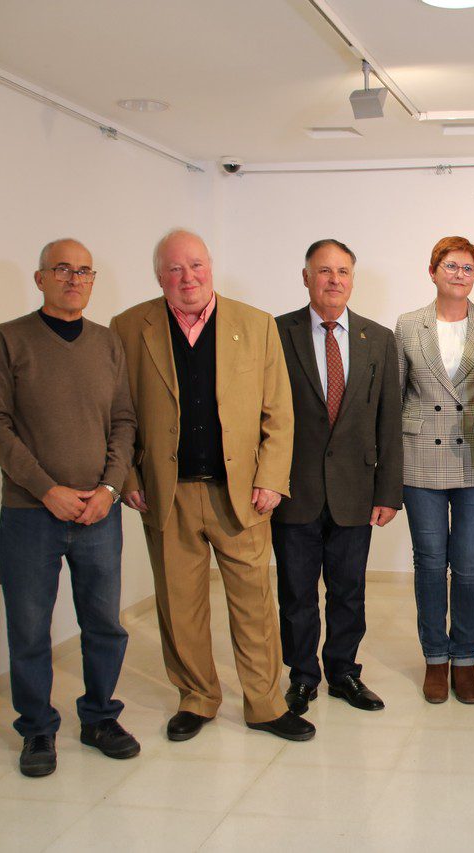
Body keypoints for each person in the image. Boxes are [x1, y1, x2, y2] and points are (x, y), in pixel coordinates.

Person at [111, 229, 313, 743]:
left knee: (254, 605)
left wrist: (271, 479)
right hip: (167, 492)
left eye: (196, 266)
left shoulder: (256, 324)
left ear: (211, 267)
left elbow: (279, 414)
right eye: (175, 269)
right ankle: (197, 698)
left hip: (239, 494)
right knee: (180, 606)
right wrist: (129, 478)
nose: (188, 278)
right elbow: (119, 415)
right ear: (160, 276)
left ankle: (265, 705)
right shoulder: (130, 328)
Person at [0, 238, 139, 777]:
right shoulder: (9, 340)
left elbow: (124, 423)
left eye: (84, 271)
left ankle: (98, 717)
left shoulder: (107, 344)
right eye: (62, 269)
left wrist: (109, 490)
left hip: (99, 514)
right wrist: (47, 489)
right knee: (29, 630)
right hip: (30, 514)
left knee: (104, 626)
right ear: (40, 277)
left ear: (93, 281)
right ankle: (38, 732)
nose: (74, 279)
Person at [273, 239, 404, 714]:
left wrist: (390, 490)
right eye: (323, 271)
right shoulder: (277, 332)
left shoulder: (378, 338)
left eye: (342, 272)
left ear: (353, 279)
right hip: (293, 488)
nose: (333, 280)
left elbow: (388, 419)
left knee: (349, 590)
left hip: (356, 489)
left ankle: (344, 672)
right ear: (305, 276)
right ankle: (303, 676)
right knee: (296, 591)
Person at [395, 237, 474, 704]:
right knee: (428, 563)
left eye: (468, 267)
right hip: (420, 457)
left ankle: (464, 658)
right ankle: (434, 659)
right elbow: (395, 397)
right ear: (433, 270)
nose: (459, 273)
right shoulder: (406, 325)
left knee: (468, 565)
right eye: (450, 265)